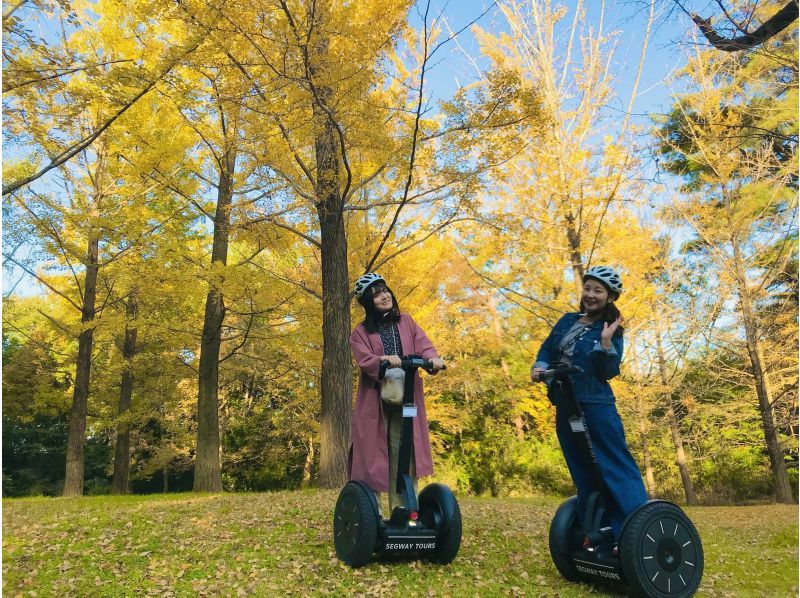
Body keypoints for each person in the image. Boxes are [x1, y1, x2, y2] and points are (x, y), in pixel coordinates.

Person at [530, 266, 648, 541]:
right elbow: (548, 348)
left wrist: (605, 342)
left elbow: (607, 370)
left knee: (614, 467)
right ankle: (595, 531)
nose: (591, 295)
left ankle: (632, 534)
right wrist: (540, 366)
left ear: (609, 296)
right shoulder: (568, 320)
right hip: (565, 402)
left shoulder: (611, 328)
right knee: (582, 469)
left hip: (596, 405)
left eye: (598, 291)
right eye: (588, 288)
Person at [348, 273, 444, 512]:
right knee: (372, 458)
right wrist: (382, 360)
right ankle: (371, 514)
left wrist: (432, 359)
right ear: (368, 302)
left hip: (407, 398)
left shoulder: (407, 322)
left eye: (385, 291)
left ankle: (403, 511)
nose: (384, 296)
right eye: (377, 294)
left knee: (404, 453)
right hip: (376, 402)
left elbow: (424, 345)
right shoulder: (359, 332)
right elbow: (364, 359)